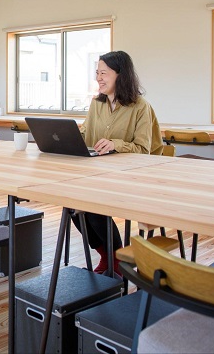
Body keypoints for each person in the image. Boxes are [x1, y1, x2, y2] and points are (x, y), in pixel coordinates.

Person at [72, 50, 163, 276]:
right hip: (100, 174)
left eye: (103, 73)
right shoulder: (97, 104)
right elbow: (86, 137)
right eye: (97, 73)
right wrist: (66, 138)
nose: (98, 78)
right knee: (71, 203)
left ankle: (115, 259)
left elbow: (144, 149)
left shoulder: (141, 107)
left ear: (120, 75)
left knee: (93, 203)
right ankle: (107, 255)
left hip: (132, 176)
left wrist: (116, 144)